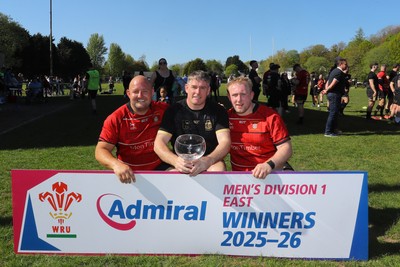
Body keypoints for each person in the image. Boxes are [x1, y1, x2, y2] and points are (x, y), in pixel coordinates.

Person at [154, 70, 231, 177]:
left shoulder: (218, 110)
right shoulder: (173, 110)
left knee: (218, 170)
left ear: (208, 90)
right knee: (172, 175)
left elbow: (225, 142)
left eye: (202, 88)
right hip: (181, 160)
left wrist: (208, 160)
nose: (197, 92)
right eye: (194, 87)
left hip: (209, 160)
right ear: (186, 88)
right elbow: (159, 143)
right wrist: (175, 161)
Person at [95, 75, 169, 184]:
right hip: (129, 173)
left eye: (145, 91)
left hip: (159, 168)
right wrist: (116, 165)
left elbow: (186, 108)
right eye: (135, 92)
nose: (140, 96)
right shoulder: (116, 118)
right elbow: (100, 150)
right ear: (128, 93)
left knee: (183, 178)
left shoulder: (163, 109)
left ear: (152, 92)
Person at [226, 76, 293, 179]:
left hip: (270, 174)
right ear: (229, 97)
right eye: (234, 95)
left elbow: (286, 148)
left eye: (243, 94)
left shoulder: (270, 116)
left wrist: (268, 165)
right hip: (241, 177)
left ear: (251, 95)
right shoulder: (225, 117)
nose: (239, 100)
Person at [322, 58, 348, 137]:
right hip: (334, 94)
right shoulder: (339, 72)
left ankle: (333, 130)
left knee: (335, 113)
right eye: (345, 64)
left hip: (333, 94)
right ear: (341, 64)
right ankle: (328, 131)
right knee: (333, 113)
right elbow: (333, 82)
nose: (346, 66)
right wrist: (327, 90)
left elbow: (327, 82)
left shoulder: (334, 71)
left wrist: (326, 89)